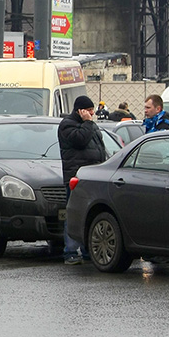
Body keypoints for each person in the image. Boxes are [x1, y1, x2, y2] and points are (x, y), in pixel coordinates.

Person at [57, 95, 108, 265]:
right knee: (74, 214)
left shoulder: (89, 125)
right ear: (81, 110)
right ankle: (70, 251)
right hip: (76, 176)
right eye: (89, 110)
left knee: (89, 214)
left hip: (92, 175)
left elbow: (99, 146)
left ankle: (87, 251)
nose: (92, 113)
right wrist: (87, 123)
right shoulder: (67, 125)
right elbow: (80, 141)